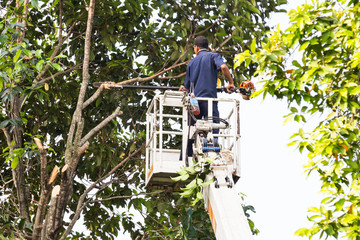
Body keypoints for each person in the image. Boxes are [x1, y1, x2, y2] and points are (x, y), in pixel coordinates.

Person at [179, 36, 235, 159]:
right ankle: (213, 148)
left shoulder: (191, 63)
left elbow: (186, 87)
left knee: (190, 128)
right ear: (207, 47)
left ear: (196, 48)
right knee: (214, 126)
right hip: (209, 100)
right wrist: (230, 83)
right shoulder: (213, 56)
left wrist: (183, 88)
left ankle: (185, 157)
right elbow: (224, 67)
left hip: (195, 103)